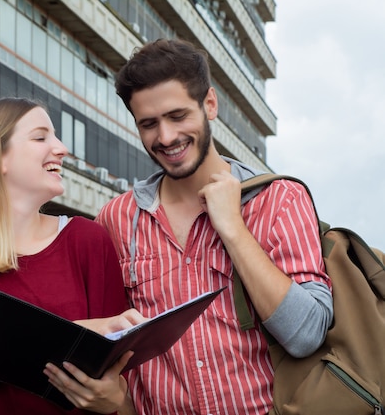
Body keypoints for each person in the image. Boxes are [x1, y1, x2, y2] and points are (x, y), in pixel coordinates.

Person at [94, 39, 334, 415]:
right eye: (149, 124)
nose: (166, 137)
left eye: (177, 116)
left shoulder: (279, 199)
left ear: (210, 104)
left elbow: (307, 335)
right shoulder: (116, 219)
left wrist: (234, 229)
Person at [0, 97, 144, 415]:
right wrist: (86, 332)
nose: (61, 148)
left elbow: (116, 378)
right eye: (41, 136)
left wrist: (116, 399)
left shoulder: (89, 240)